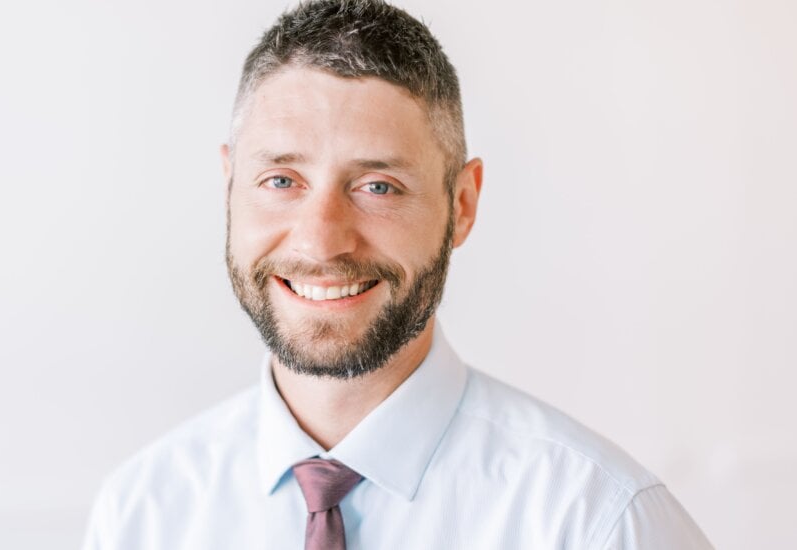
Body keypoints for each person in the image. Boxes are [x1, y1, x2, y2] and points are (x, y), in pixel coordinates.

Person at [82, 1, 713, 548]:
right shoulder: (141, 514)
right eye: (281, 181)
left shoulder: (599, 523)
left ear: (461, 204)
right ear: (229, 188)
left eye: (378, 185)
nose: (321, 241)